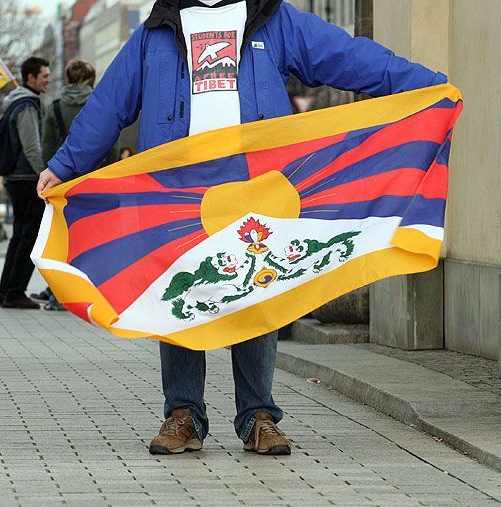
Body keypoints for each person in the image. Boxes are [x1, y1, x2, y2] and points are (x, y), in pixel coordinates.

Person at [37, 0, 446, 456]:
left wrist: (429, 87)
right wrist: (66, 165)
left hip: (257, 187)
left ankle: (258, 416)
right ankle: (184, 415)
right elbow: (109, 103)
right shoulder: (156, 29)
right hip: (178, 192)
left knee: (256, 288)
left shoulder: (273, 17)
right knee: (179, 296)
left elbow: (347, 56)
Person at [36, 58, 121, 311]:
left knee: (64, 238)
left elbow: (47, 146)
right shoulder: (99, 104)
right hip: (96, 181)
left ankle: (57, 297)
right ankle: (94, 293)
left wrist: (55, 171)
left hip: (63, 182)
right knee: (97, 237)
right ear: (91, 80)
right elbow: (112, 144)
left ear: (69, 79)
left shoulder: (55, 108)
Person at [0, 56, 51, 310]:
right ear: (30, 78)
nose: (48, 80)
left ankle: (7, 290)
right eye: (44, 76)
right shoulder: (28, 105)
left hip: (15, 177)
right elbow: (32, 147)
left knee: (19, 236)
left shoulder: (15, 102)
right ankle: (15, 291)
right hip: (26, 177)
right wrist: (45, 176)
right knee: (28, 237)